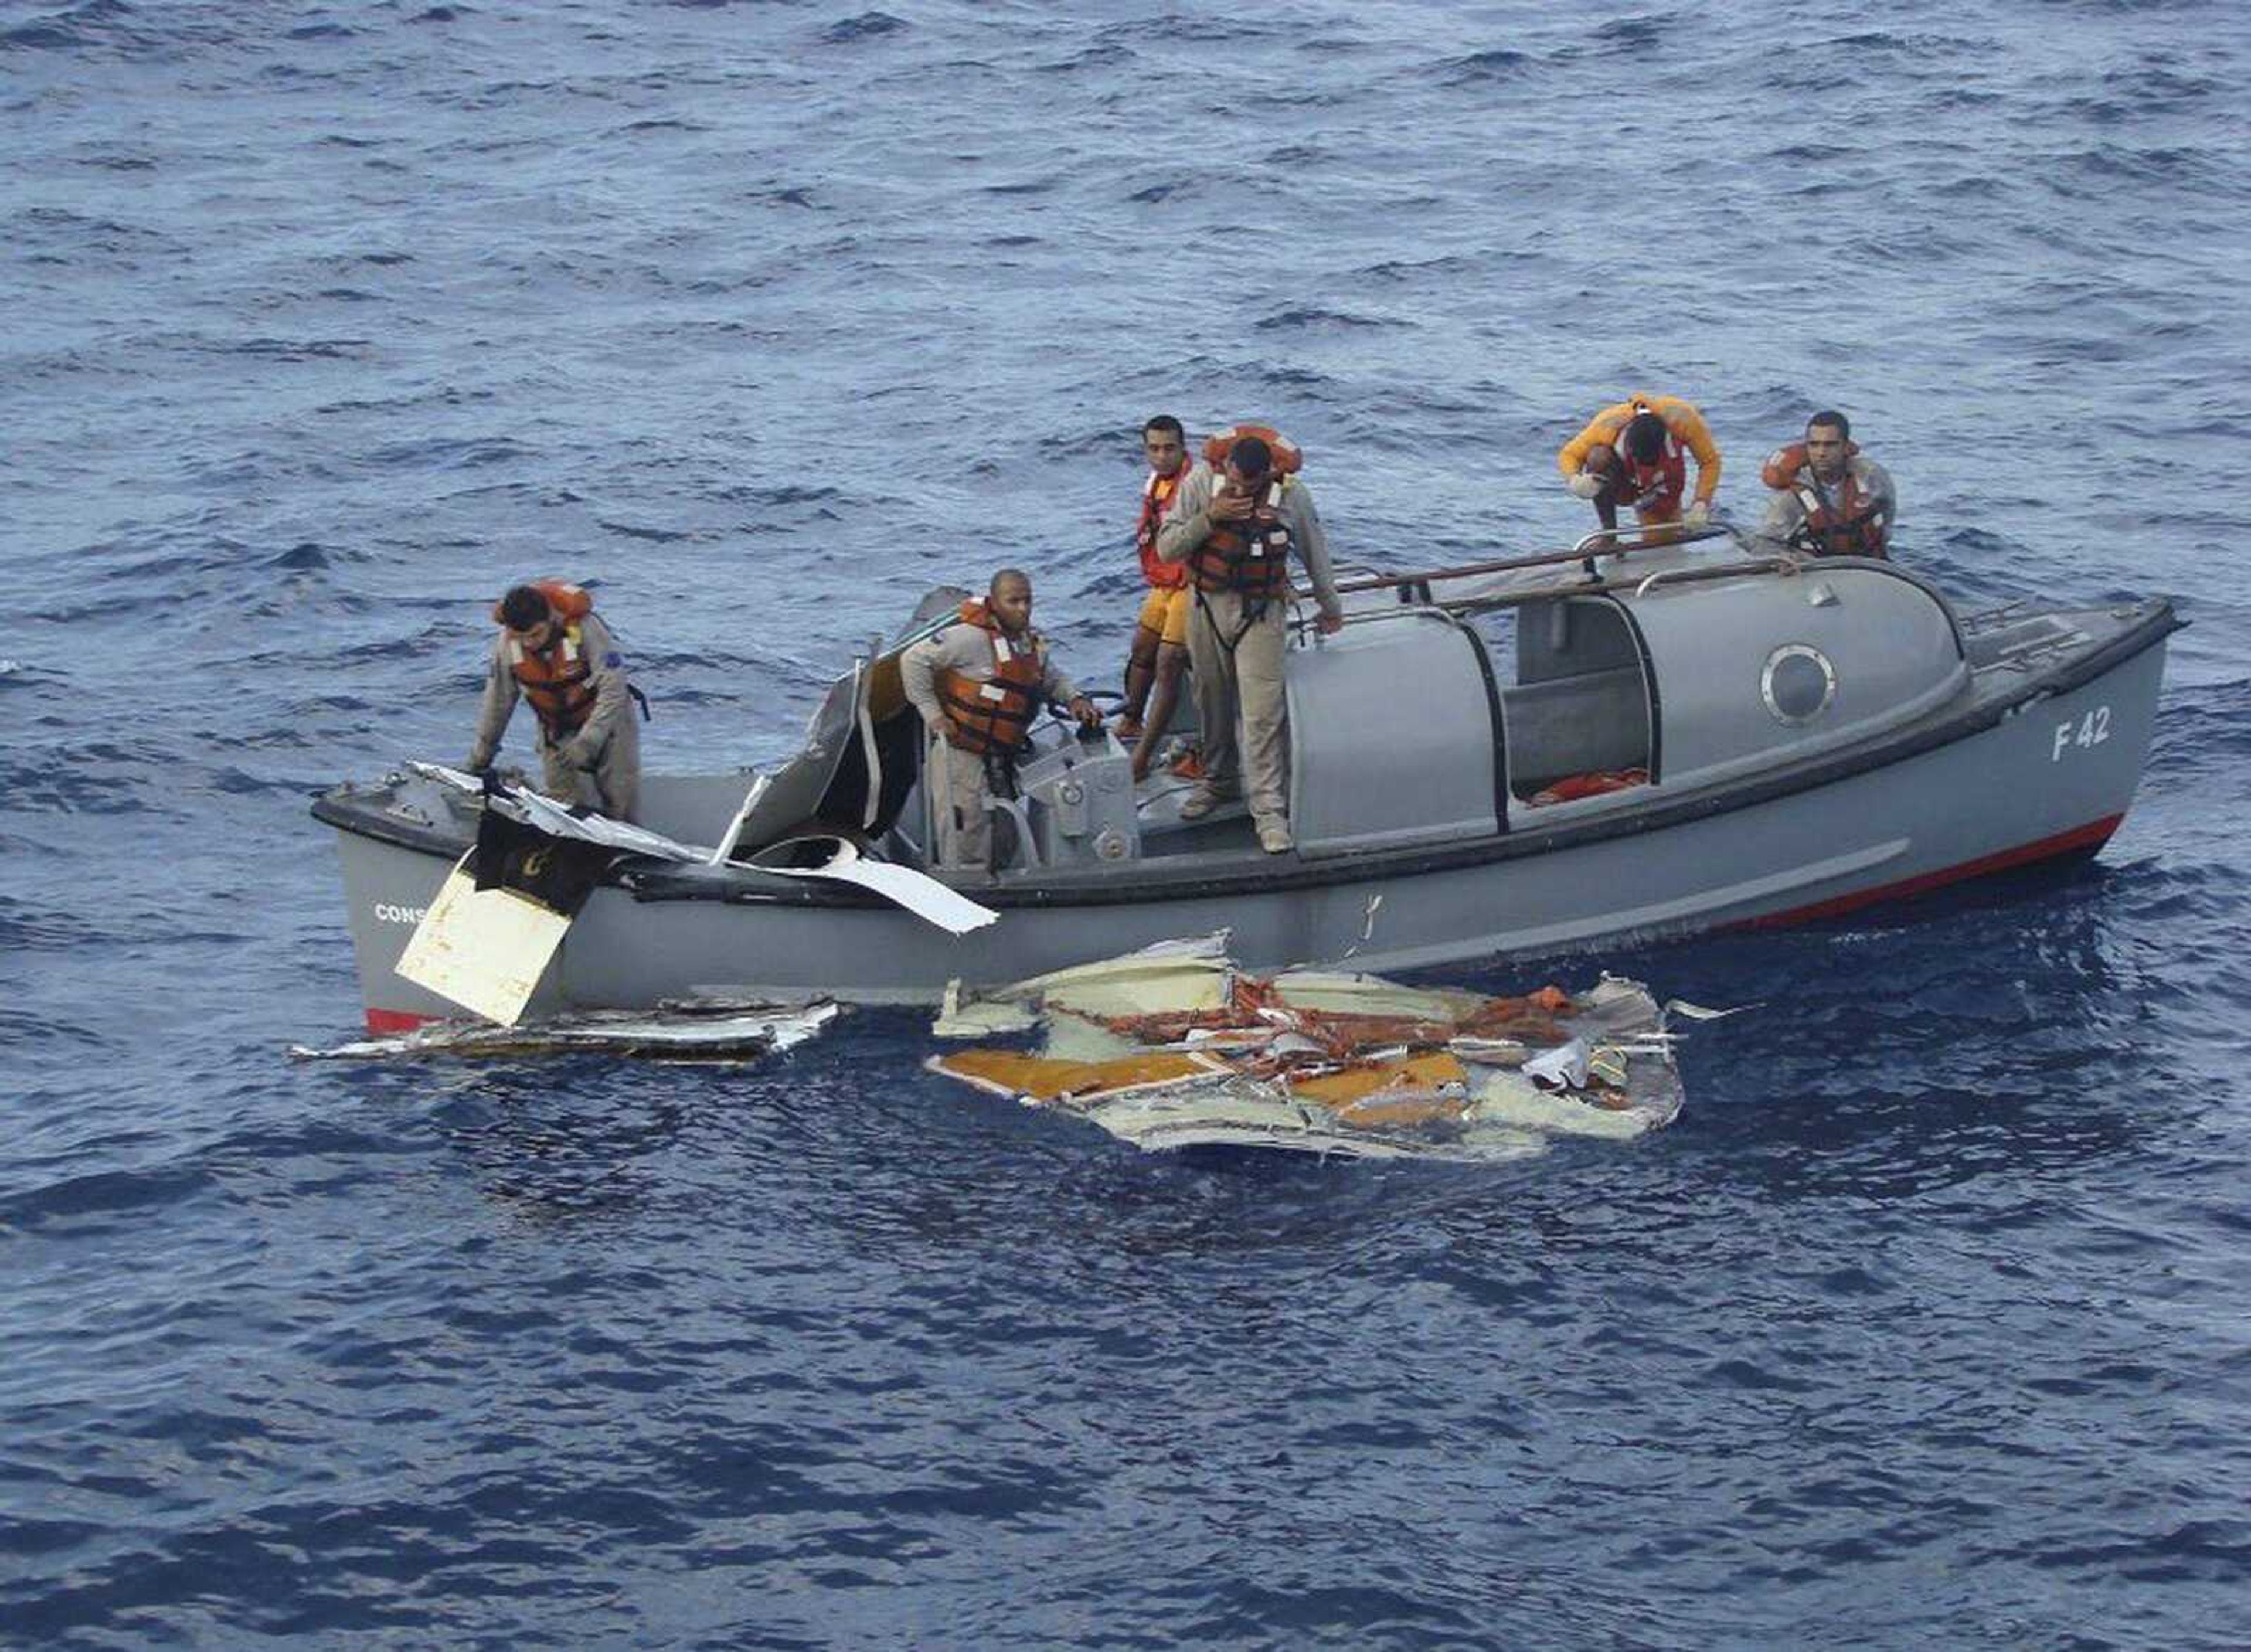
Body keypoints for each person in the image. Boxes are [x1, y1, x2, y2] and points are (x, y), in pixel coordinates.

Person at [1156, 426, 1344, 855]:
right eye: (1234, 480)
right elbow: (1167, 548)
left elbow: (1315, 550)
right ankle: (1218, 783)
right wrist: (1211, 517)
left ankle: (1269, 811)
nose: (1240, 488)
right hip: (1206, 606)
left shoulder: (1292, 496)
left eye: (1248, 485)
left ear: (1265, 478)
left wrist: (1330, 607)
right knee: (1211, 698)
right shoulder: (1202, 482)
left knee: (1262, 715)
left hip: (1262, 611)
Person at [900, 568, 1099, 872]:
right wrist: (933, 714)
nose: (1023, 609)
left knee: (1006, 833)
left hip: (1002, 756)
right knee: (968, 834)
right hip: (962, 754)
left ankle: (1004, 886)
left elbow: (1049, 678)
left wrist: (1075, 698)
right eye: (1013, 601)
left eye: (1028, 601)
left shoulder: (1028, 643)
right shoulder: (968, 639)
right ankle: (965, 889)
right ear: (995, 602)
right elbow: (913, 661)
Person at [467, 580, 641, 822]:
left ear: (550, 619)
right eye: (521, 637)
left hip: (609, 722)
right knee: (559, 804)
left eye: (536, 634)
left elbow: (613, 689)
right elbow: (497, 704)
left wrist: (589, 741)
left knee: (619, 801)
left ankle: (626, 847)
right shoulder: (506, 645)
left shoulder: (587, 629)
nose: (529, 643)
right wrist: (480, 759)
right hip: (555, 731)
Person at [1118, 414, 1195, 782]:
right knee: (1142, 649)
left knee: (1169, 660)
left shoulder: (1195, 486)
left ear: (1183, 448)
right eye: (1154, 449)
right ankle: (1133, 719)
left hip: (1190, 584)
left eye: (1169, 449)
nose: (1161, 456)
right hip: (1163, 582)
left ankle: (1145, 755)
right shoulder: (1157, 484)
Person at [1557, 392, 1722, 541]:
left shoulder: (1683, 418)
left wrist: (1701, 502)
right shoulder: (1608, 425)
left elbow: (1710, 461)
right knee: (1597, 457)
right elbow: (1569, 454)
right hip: (1623, 478)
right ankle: (1609, 535)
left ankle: (1669, 520)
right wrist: (1575, 480)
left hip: (1662, 480)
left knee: (1662, 543)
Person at [1757, 410, 1896, 558]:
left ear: (1845, 446)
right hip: (1817, 570)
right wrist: (1785, 558)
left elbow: (1888, 510)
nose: (1821, 452)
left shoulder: (1871, 476)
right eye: (1814, 445)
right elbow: (1764, 543)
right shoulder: (1791, 496)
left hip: (1868, 564)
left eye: (1830, 445)